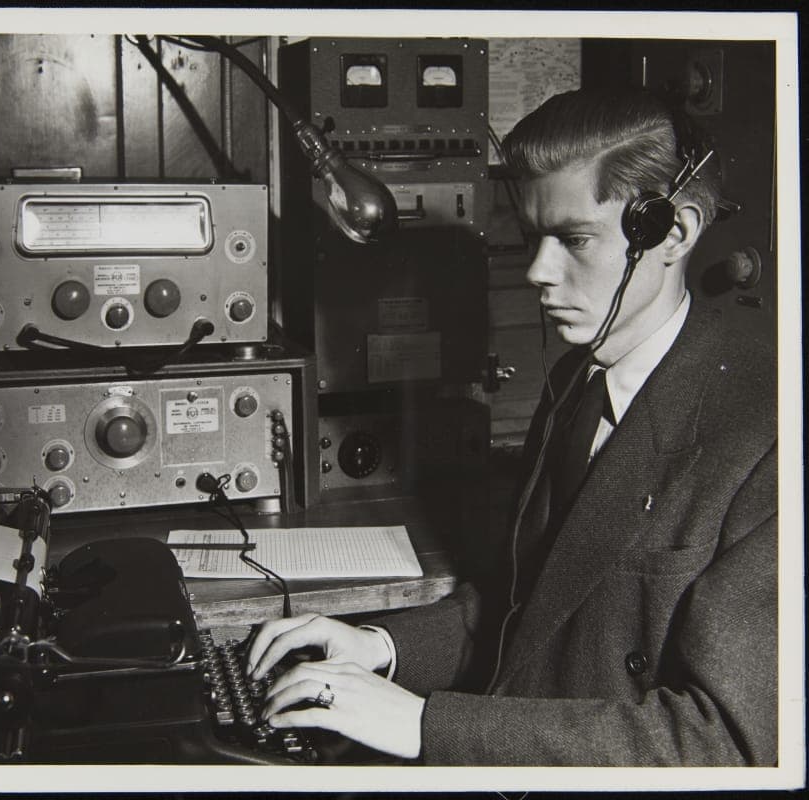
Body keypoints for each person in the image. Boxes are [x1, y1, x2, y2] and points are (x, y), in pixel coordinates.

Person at [246, 87, 777, 765]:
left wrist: (423, 727)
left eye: (573, 239)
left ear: (671, 233)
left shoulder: (766, 437)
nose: (536, 272)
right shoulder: (573, 385)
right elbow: (529, 606)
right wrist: (381, 647)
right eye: (532, 238)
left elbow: (725, 746)